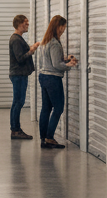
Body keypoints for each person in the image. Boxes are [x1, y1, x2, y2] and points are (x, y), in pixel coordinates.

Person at [36, 15, 77, 149]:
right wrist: (69, 65)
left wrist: (65, 59)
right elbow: (56, 65)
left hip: (43, 77)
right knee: (58, 108)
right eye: (63, 27)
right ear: (58, 27)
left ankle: (43, 138)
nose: (64, 29)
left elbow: (50, 61)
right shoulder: (54, 43)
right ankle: (49, 137)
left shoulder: (45, 42)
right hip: (52, 79)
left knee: (46, 108)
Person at [9, 14, 35, 140]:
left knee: (17, 102)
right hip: (18, 74)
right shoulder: (16, 39)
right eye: (26, 22)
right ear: (20, 24)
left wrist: (30, 48)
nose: (27, 24)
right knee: (18, 102)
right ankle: (15, 130)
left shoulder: (18, 39)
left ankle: (16, 129)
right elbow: (20, 58)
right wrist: (31, 51)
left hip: (20, 74)